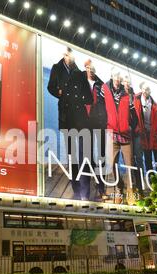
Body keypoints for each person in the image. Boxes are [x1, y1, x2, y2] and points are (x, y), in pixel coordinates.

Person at [47, 48, 93, 200]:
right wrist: (63, 93)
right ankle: (76, 189)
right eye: (69, 54)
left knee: (84, 155)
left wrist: (78, 98)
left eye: (73, 55)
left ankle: (86, 192)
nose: (71, 57)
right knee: (72, 156)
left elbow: (89, 98)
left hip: (80, 118)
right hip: (66, 117)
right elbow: (51, 88)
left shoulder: (79, 73)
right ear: (64, 54)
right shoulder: (56, 68)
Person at [102, 68, 134, 205]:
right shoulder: (104, 89)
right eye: (115, 76)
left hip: (126, 136)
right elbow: (99, 108)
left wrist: (129, 125)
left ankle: (131, 193)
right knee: (113, 165)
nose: (117, 79)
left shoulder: (126, 95)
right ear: (111, 76)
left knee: (129, 166)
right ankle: (119, 190)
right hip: (112, 133)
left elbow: (133, 115)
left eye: (119, 78)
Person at [84, 59, 107, 201]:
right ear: (85, 68)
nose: (90, 70)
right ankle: (88, 188)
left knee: (102, 156)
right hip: (86, 123)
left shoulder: (101, 85)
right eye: (88, 67)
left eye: (92, 68)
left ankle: (101, 187)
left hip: (100, 123)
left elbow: (108, 105)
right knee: (88, 154)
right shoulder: (80, 83)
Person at [133, 82, 157, 174]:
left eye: (148, 89)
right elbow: (133, 118)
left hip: (155, 139)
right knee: (148, 162)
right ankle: (151, 183)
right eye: (145, 89)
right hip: (144, 138)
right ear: (142, 90)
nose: (147, 91)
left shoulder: (155, 107)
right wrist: (137, 130)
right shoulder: (136, 101)